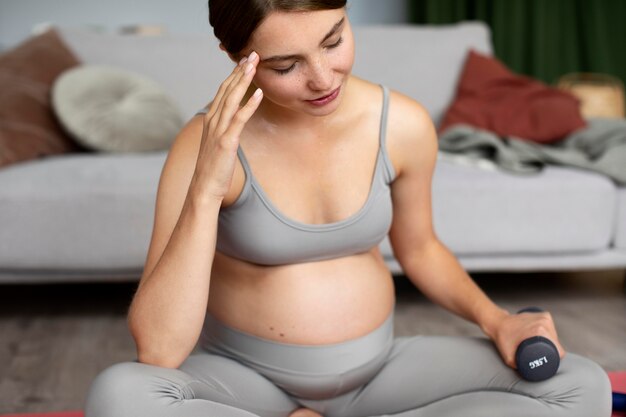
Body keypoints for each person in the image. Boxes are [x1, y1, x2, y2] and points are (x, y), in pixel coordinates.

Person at [85, 1, 612, 416]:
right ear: (234, 56)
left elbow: (421, 247)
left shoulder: (402, 124)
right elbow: (158, 351)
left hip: (379, 373)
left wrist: (498, 321)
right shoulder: (202, 146)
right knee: (120, 395)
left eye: (333, 41)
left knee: (579, 385)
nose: (322, 78)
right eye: (287, 65)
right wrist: (205, 186)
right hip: (245, 384)